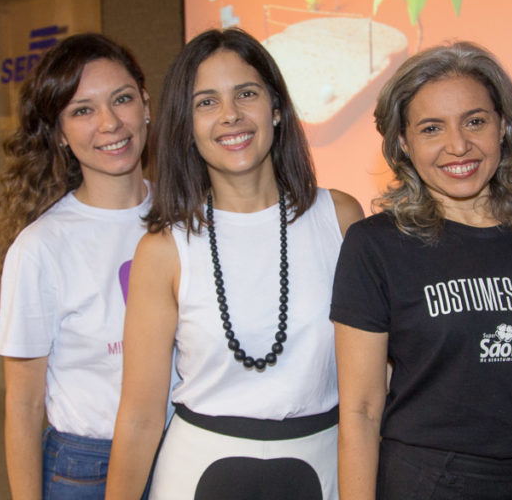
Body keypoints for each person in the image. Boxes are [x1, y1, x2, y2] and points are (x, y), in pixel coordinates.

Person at [331, 41, 512, 499]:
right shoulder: (376, 246)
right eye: (431, 128)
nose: (458, 145)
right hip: (431, 484)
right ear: (404, 143)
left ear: (502, 125)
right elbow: (362, 413)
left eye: (475, 121)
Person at [106, 28, 363, 500]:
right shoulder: (163, 249)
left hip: (325, 467)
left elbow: (373, 383)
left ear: (277, 109)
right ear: (186, 125)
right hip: (195, 470)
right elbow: (141, 416)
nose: (230, 115)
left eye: (246, 94)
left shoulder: (342, 219)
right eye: (206, 102)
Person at [0, 33, 156, 499]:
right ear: (60, 133)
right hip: (89, 468)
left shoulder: (190, 216)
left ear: (145, 104)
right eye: (82, 110)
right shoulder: (41, 248)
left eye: (121, 99)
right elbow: (23, 404)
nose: (110, 123)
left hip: (187, 450)